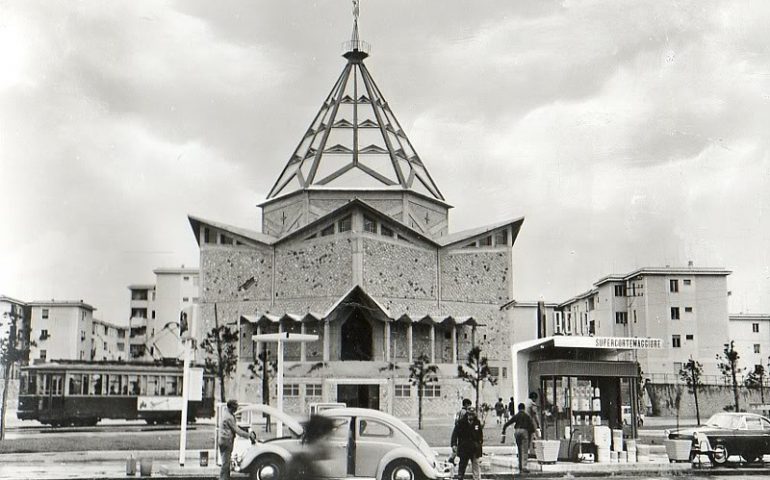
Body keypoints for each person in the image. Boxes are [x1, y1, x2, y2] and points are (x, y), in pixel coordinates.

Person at [284, 415, 336, 480]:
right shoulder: (301, 467)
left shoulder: (311, 466)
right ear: (319, 439)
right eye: (328, 439)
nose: (330, 444)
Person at [218, 399, 256, 480]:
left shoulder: (228, 414)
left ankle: (226, 478)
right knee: (226, 462)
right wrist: (249, 436)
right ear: (231, 407)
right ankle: (223, 478)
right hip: (226, 441)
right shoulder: (229, 417)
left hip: (225, 440)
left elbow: (235, 427)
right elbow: (236, 430)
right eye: (235, 407)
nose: (236, 409)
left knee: (226, 461)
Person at [502, 403, 536, 473]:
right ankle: (524, 466)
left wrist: (503, 430)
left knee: (519, 449)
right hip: (524, 431)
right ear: (524, 408)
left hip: (517, 431)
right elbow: (532, 426)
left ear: (518, 408)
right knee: (525, 449)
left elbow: (508, 423)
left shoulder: (516, 415)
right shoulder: (527, 416)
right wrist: (533, 434)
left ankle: (520, 465)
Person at [450, 407, 483, 480]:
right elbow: (455, 434)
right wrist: (454, 444)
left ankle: (476, 478)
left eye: (472, 415)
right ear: (467, 414)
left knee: (476, 466)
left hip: (474, 448)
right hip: (464, 448)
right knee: (462, 466)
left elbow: (480, 435)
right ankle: (460, 477)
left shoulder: (477, 422)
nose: (470, 416)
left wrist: (479, 444)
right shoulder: (461, 423)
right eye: (469, 414)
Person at [448, 398, 473, 465]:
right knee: (461, 447)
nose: (470, 407)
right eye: (469, 405)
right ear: (466, 404)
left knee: (456, 447)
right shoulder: (465, 412)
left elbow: (456, 420)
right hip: (462, 430)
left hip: (457, 429)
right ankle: (452, 461)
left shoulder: (458, 412)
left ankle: (451, 460)